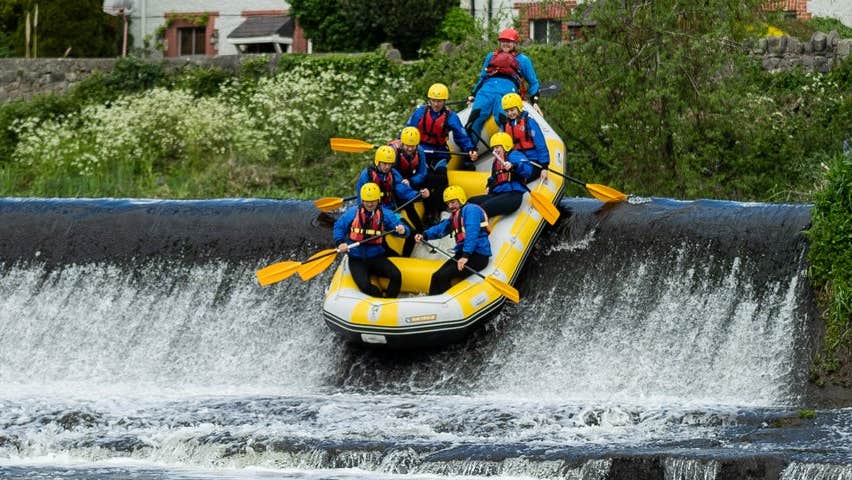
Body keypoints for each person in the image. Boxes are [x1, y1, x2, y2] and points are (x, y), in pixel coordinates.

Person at [466, 28, 541, 150]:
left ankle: (504, 153)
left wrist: (535, 101)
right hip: (486, 91)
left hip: (506, 93)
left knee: (503, 121)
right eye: (503, 41)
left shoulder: (523, 60)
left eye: (509, 41)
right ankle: (469, 153)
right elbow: (483, 78)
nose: (505, 44)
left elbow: (533, 82)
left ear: (515, 43)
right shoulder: (491, 56)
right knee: (474, 119)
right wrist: (472, 95)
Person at [334, 182, 409, 298]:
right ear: (362, 200)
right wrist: (340, 242)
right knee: (364, 286)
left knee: (396, 275)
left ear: (378, 200)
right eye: (367, 201)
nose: (370, 204)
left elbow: (400, 226)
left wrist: (403, 230)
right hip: (356, 258)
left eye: (373, 201)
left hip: (376, 257)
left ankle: (390, 300)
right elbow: (339, 226)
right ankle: (379, 298)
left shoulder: (385, 214)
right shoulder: (352, 213)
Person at [414, 185, 491, 295]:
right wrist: (424, 235)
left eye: (453, 202)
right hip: (464, 254)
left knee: (443, 276)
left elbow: (472, 233)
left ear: (461, 199)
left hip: (477, 255)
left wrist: (465, 256)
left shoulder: (471, 210)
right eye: (448, 203)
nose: (450, 206)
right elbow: (441, 228)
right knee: (436, 276)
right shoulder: (455, 216)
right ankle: (433, 302)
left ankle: (445, 305)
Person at [355, 145, 429, 254]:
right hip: (373, 212)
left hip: (390, 211)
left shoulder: (393, 174)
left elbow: (403, 190)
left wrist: (418, 195)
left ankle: (404, 259)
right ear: (377, 162)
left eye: (389, 164)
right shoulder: (367, 176)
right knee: (379, 241)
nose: (386, 167)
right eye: (384, 163)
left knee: (410, 234)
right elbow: (362, 201)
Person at [406, 82, 479, 172]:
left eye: (439, 101)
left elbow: (461, 135)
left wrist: (470, 149)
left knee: (441, 174)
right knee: (424, 172)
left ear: (444, 101)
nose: (436, 104)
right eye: (434, 100)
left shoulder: (451, 117)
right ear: (430, 100)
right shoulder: (420, 112)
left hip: (439, 151)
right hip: (421, 150)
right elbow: (408, 130)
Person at [467, 132, 533, 218]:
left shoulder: (513, 155)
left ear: (505, 146)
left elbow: (528, 170)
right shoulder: (496, 161)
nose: (495, 150)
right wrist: (489, 185)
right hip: (498, 194)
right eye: (493, 148)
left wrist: (514, 166)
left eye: (497, 147)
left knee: (481, 209)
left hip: (512, 195)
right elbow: (493, 177)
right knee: (471, 202)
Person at [499, 92, 550, 181]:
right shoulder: (505, 125)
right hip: (517, 160)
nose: (510, 113)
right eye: (507, 111)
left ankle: (523, 177)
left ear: (519, 108)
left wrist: (544, 167)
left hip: (533, 161)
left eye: (512, 110)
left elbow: (540, 144)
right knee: (512, 156)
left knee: (516, 160)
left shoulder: (529, 123)